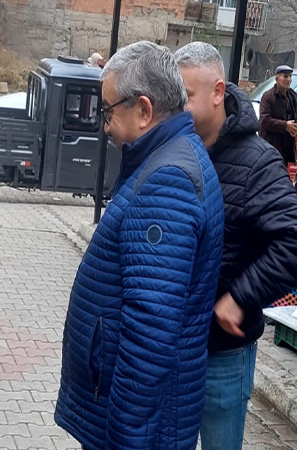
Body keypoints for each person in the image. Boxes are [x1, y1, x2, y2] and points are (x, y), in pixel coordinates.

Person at [54, 41, 225, 450]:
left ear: (144, 110)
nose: (105, 126)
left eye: (108, 111)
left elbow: (150, 331)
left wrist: (126, 440)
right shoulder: (172, 157)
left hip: (136, 430)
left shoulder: (167, 181)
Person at [175, 42, 297, 450]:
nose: (177, 107)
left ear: (218, 92)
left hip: (222, 352)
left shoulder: (257, 162)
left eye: (186, 96)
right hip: (170, 345)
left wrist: (239, 297)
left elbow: (295, 238)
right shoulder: (175, 149)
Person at [259, 65, 297, 165]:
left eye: (290, 76)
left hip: (285, 148)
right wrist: (285, 126)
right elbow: (265, 120)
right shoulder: (267, 96)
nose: (289, 80)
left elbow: (296, 117)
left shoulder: (292, 96)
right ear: (277, 79)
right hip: (270, 147)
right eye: (285, 76)